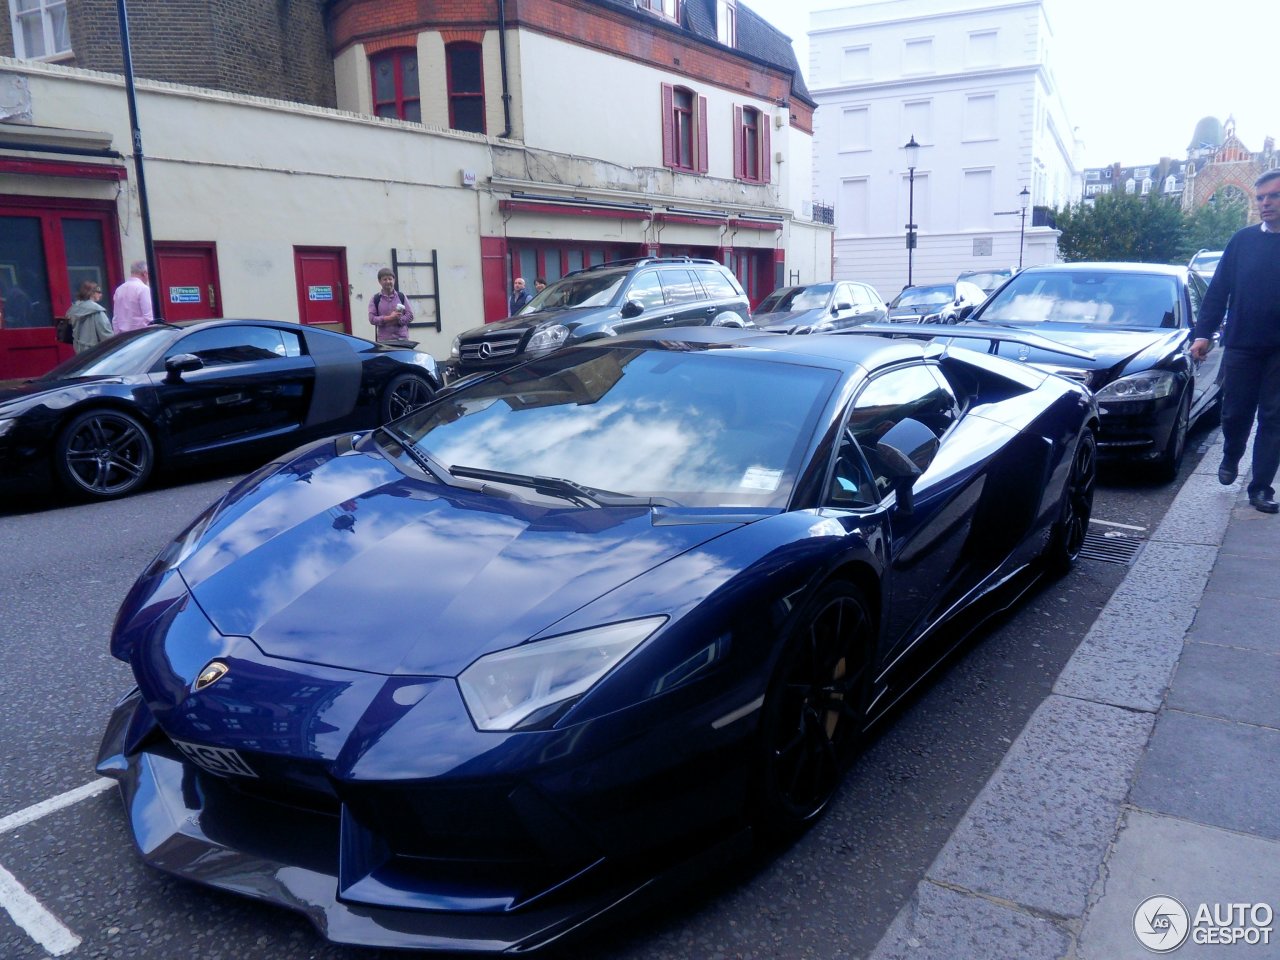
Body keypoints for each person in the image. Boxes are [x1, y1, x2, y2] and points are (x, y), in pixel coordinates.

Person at [1191, 168, 1280, 514]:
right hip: (1242, 342)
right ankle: (1232, 452)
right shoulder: (1242, 241)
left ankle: (1260, 488)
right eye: (1260, 197)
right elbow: (1218, 291)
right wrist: (1203, 334)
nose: (1265, 203)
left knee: (1274, 417)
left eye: (1273, 196)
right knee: (1235, 413)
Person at [368, 266, 414, 342]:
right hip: (384, 341)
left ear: (394, 280)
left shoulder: (401, 296)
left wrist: (399, 320)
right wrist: (389, 318)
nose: (388, 281)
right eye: (385, 279)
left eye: (390, 279)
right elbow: (372, 319)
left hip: (402, 339)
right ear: (379, 281)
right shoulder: (375, 299)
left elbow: (410, 315)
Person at [66, 280, 113, 353]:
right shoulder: (97, 311)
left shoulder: (73, 309)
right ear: (92, 293)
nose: (101, 295)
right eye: (99, 292)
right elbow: (106, 335)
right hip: (96, 351)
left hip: (79, 351)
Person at [111, 260, 154, 333]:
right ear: (145, 273)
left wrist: (117, 335)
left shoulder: (119, 289)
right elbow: (148, 318)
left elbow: (115, 318)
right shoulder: (143, 289)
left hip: (123, 336)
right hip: (140, 335)